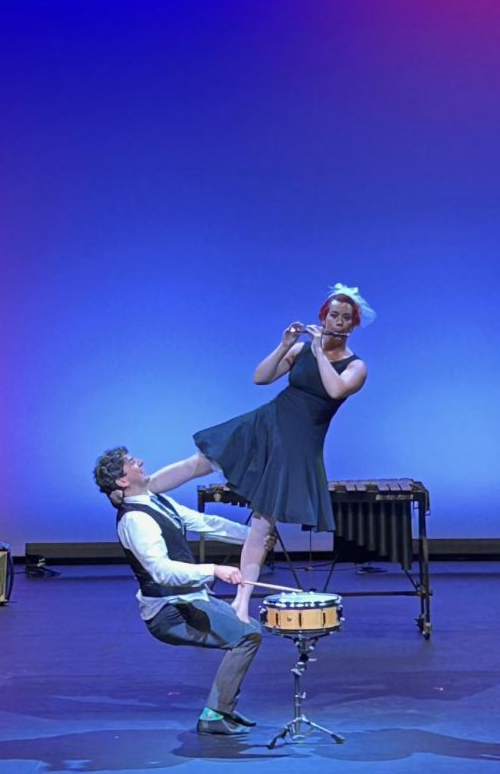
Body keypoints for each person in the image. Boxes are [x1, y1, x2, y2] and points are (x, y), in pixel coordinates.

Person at [120, 284, 374, 623]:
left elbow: (334, 389)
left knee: (261, 523)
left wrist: (317, 348)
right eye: (333, 315)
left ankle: (242, 602)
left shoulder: (356, 366)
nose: (338, 321)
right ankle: (140, 494)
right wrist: (285, 345)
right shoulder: (299, 350)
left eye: (345, 318)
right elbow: (260, 378)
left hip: (299, 442)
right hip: (267, 423)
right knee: (202, 460)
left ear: (353, 325)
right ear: (323, 316)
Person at [94, 446, 262, 736]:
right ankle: (215, 713)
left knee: (249, 631)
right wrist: (214, 570)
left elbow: (205, 523)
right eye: (131, 462)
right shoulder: (135, 520)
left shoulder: (157, 501)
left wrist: (254, 536)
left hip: (187, 600)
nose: (140, 461)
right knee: (247, 635)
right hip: (170, 612)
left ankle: (221, 709)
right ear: (122, 481)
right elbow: (162, 571)